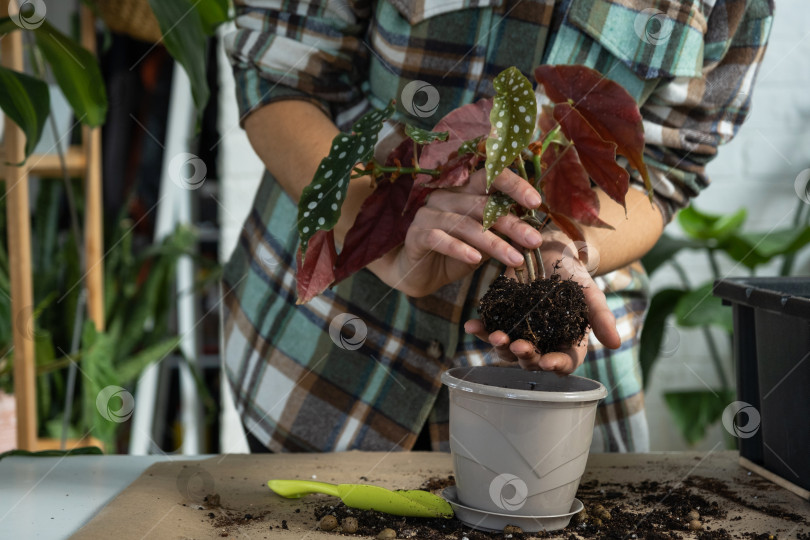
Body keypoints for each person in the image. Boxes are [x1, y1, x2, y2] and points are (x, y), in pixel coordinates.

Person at [221, 0, 774, 453]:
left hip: (546, 416)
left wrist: (570, 248)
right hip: (320, 370)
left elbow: (668, 173)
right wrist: (375, 223)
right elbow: (278, 70)